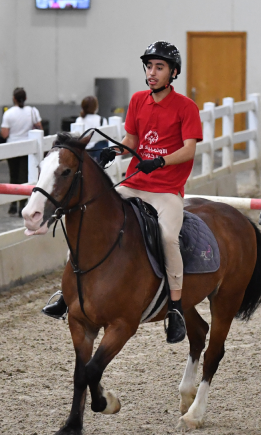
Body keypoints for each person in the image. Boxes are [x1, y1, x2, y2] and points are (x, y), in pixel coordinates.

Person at [42, 41, 203, 345]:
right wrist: (111, 152)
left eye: (159, 67)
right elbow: (131, 140)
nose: (152, 72)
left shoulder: (186, 107)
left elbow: (189, 149)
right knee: (85, 222)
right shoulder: (138, 100)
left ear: (173, 72)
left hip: (166, 190)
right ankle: (67, 295)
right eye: (149, 66)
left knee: (169, 238)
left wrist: (161, 160)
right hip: (134, 183)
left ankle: (177, 309)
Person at [1, 88, 43, 216]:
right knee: (24, 176)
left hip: (12, 148)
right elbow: (40, 128)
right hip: (28, 147)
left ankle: (13, 205)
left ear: (14, 98)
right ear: (25, 98)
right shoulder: (32, 111)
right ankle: (22, 206)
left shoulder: (8, 113)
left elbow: (5, 134)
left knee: (13, 176)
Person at [75, 95, 108, 164]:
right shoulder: (101, 120)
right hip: (97, 155)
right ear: (96, 107)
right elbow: (107, 138)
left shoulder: (79, 120)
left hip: (83, 153)